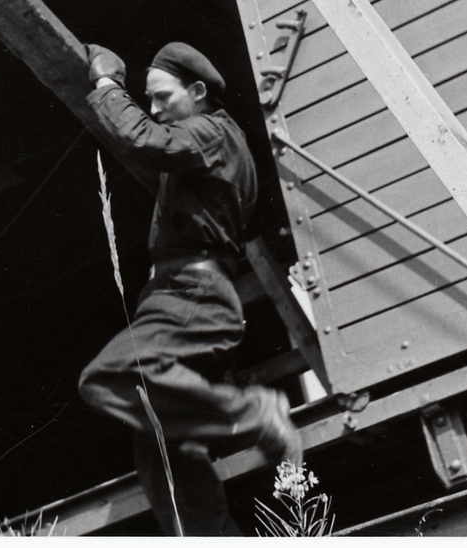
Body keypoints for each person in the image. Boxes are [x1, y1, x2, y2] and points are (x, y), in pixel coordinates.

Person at [78, 41, 302, 536]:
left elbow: (142, 139)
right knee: (163, 452)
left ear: (198, 92)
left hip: (192, 295)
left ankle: (255, 415)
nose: (155, 109)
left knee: (111, 377)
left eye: (163, 97)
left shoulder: (212, 132)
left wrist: (108, 86)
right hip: (185, 295)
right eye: (150, 99)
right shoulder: (204, 148)